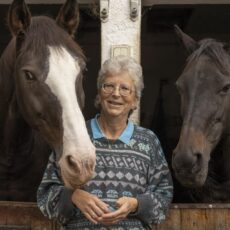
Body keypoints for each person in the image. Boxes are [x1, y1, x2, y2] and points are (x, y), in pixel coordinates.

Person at [37, 56, 173, 230]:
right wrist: (73, 197)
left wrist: (136, 204)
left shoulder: (149, 142)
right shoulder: (74, 136)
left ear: (135, 101)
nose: (116, 93)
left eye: (125, 88)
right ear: (99, 95)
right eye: (108, 85)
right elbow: (44, 196)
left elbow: (164, 196)